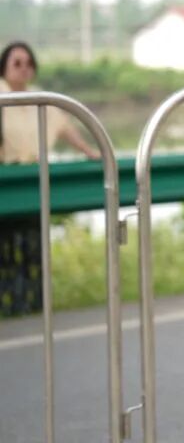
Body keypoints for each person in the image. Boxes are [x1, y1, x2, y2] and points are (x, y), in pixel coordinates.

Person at [0, 41, 100, 317]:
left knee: (33, 244)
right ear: (4, 67)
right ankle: (8, 306)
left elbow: (66, 128)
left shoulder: (40, 100)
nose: (23, 69)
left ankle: (32, 305)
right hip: (6, 182)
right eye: (17, 63)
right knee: (5, 247)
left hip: (33, 181)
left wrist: (92, 152)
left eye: (28, 63)